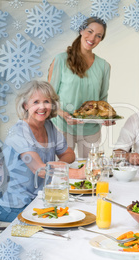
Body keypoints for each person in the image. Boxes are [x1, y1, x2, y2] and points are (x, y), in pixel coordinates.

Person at [0, 81, 85, 222]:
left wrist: (58, 165)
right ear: (25, 105)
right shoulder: (18, 133)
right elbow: (40, 170)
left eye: (46, 101)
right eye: (36, 102)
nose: (42, 107)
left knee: (78, 214)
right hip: (13, 206)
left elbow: (69, 154)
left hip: (38, 200)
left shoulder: (48, 126)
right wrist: (79, 173)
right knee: (62, 222)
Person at [48, 16, 114, 158]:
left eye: (98, 36)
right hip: (62, 126)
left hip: (91, 129)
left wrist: (105, 117)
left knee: (90, 172)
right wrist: (63, 114)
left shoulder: (104, 66)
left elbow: (102, 99)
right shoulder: (60, 60)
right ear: (81, 30)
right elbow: (48, 98)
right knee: (64, 173)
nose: (92, 38)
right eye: (89, 31)